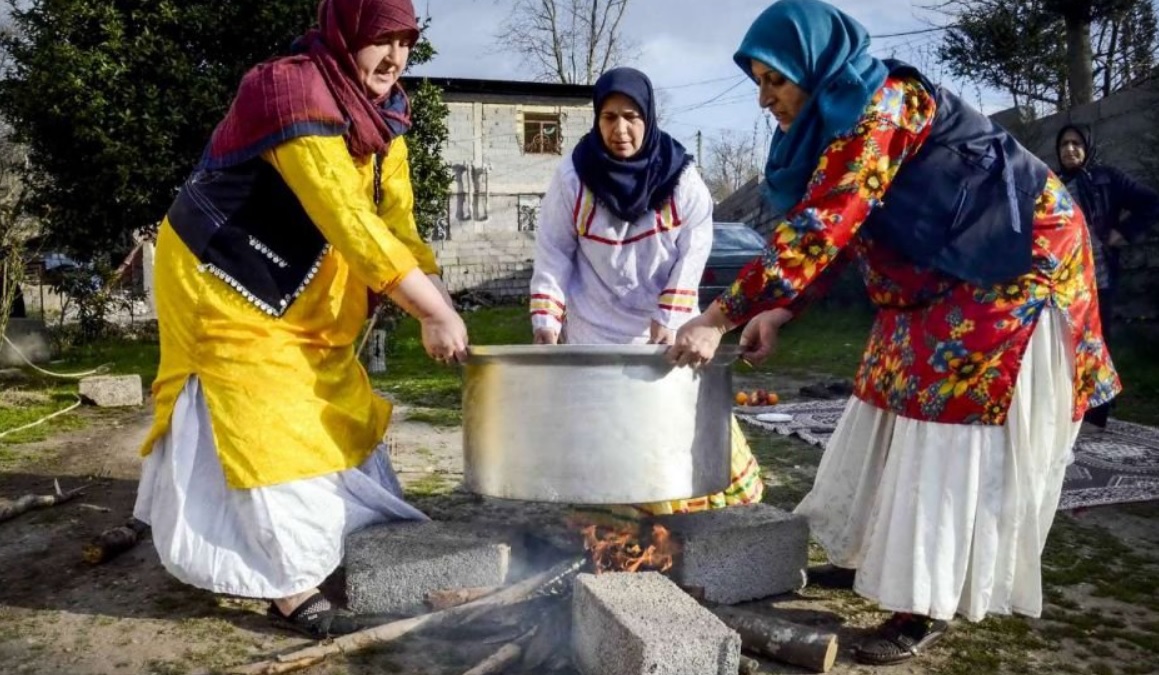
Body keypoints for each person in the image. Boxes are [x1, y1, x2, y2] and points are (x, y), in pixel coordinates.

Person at [667, 0, 1119, 665]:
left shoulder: (884, 105)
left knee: (948, 423)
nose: (764, 99)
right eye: (758, 83)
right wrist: (781, 308)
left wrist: (717, 317)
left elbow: (826, 223)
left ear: (814, 67)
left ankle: (924, 600)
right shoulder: (833, 127)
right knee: (884, 390)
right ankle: (870, 558)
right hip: (943, 268)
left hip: (1014, 261)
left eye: (775, 80)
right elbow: (844, 226)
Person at [134, 0, 468, 640]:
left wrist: (441, 300)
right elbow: (346, 215)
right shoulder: (291, 92)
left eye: (405, 42)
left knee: (329, 397)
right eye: (381, 39)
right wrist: (427, 309)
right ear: (346, 32)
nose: (394, 58)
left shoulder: (387, 116)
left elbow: (396, 224)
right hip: (221, 276)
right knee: (267, 413)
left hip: (297, 290)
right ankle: (286, 584)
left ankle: (331, 541)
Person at [529, 67, 763, 515]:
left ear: (649, 118)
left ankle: (682, 524)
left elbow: (695, 247)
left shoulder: (681, 178)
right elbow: (553, 251)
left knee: (671, 435)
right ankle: (616, 527)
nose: (620, 129)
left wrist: (670, 314)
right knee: (608, 452)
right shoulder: (573, 178)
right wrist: (547, 319)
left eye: (631, 117)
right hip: (596, 330)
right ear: (597, 120)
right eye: (609, 117)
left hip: (666, 334)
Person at [1056, 123, 1159, 427]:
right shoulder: (1052, 184)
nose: (1069, 149)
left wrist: (1123, 232)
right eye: (1063, 144)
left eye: (1076, 143)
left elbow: (1151, 202)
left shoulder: (1106, 179)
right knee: (1063, 342)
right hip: (1062, 278)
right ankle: (1067, 406)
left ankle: (1098, 411)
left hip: (1098, 275)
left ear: (1087, 148)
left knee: (1097, 341)